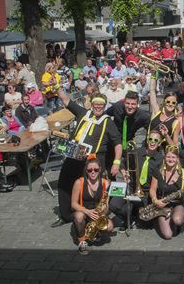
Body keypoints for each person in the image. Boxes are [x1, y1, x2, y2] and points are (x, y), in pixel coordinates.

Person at [51, 90, 122, 227]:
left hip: (93, 160)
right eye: (96, 104)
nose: (98, 107)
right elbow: (66, 100)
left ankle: (93, 217)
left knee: (92, 189)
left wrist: (116, 162)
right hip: (74, 155)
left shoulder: (108, 122)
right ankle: (66, 215)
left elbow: (117, 144)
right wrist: (57, 85)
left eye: (101, 105)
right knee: (64, 184)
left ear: (105, 106)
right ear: (91, 104)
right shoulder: (83, 112)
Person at [110, 130, 164, 228]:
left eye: (156, 140)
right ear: (147, 140)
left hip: (146, 193)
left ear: (159, 143)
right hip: (130, 187)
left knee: (145, 223)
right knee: (113, 205)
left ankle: (134, 213)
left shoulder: (161, 159)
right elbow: (122, 163)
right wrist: (123, 172)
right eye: (150, 139)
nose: (152, 142)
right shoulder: (137, 151)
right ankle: (128, 217)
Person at [70, 155, 113, 255]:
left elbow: (106, 205)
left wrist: (102, 213)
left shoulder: (106, 183)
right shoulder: (79, 182)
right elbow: (73, 204)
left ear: (100, 169)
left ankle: (96, 232)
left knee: (110, 226)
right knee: (79, 216)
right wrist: (87, 211)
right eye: (90, 170)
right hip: (84, 212)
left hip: (98, 213)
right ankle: (82, 241)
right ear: (86, 170)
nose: (93, 172)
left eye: (96, 169)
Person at [149, 145, 184, 239]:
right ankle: (164, 219)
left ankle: (178, 220)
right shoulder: (158, 171)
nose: (170, 159)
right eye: (168, 157)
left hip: (177, 203)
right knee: (168, 235)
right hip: (163, 204)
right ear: (164, 158)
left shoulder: (183, 172)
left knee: (177, 220)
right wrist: (155, 200)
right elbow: (152, 189)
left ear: (177, 159)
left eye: (173, 157)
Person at [148, 77, 179, 147]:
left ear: (176, 104)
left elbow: (175, 146)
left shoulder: (176, 122)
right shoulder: (156, 111)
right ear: (164, 102)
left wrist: (166, 135)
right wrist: (153, 75)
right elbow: (152, 90)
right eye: (168, 101)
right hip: (148, 147)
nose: (170, 104)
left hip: (161, 153)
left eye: (173, 103)